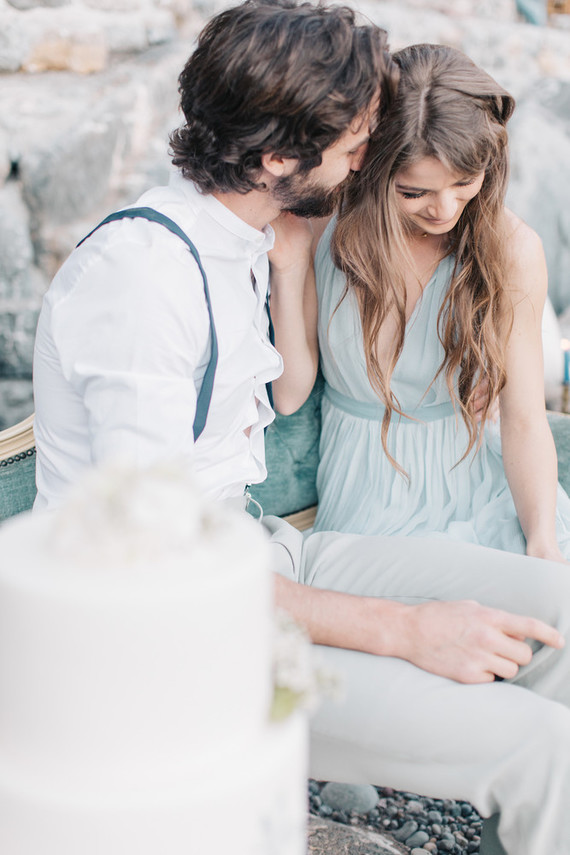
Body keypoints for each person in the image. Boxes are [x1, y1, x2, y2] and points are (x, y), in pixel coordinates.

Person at [31, 5, 570, 854]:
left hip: (266, 551)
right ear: (281, 157)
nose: (366, 165)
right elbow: (161, 576)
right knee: (545, 747)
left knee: (561, 612)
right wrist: (405, 629)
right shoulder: (143, 284)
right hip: (188, 647)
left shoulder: (247, 235)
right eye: (360, 148)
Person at [310, 43, 570, 563]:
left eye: (464, 183)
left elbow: (523, 418)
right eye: (413, 192)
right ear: (370, 167)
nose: (444, 209)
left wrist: (542, 538)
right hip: (363, 488)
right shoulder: (325, 225)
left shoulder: (512, 248)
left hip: (475, 482)